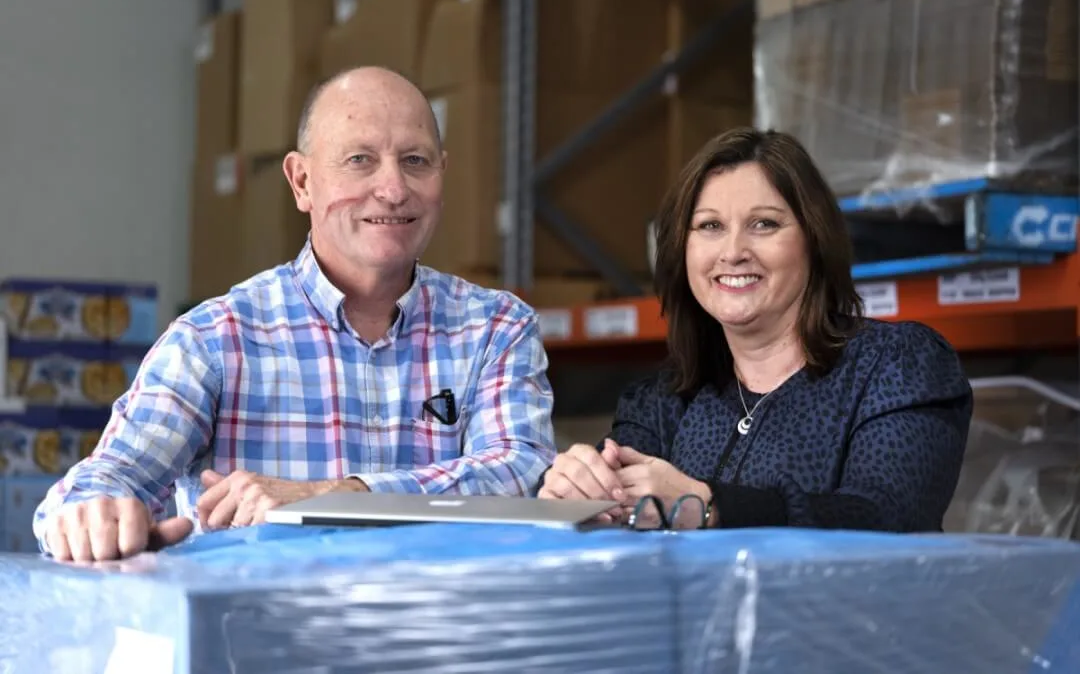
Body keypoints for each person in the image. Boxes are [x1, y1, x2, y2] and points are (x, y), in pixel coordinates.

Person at [35, 66, 557, 562]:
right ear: (302, 181)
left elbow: (519, 474)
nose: (394, 189)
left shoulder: (495, 329)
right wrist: (89, 516)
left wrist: (334, 497)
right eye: (360, 160)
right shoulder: (215, 339)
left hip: (436, 642)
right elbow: (108, 477)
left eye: (416, 160)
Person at [539, 127, 972, 532]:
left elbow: (887, 515)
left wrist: (707, 504)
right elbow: (619, 510)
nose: (733, 252)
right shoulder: (661, 403)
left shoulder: (897, 366)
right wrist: (581, 488)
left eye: (763, 224)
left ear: (814, 239)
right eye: (710, 226)